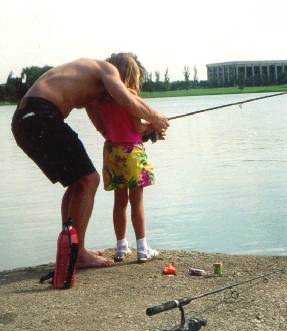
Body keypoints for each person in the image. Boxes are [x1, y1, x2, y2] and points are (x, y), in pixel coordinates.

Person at [11, 53, 169, 268]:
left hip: (24, 120)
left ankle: (71, 247)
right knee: (88, 180)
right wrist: (155, 118)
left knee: (78, 182)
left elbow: (105, 131)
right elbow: (125, 98)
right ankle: (78, 254)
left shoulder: (89, 88)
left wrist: (143, 133)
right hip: (41, 115)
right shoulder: (106, 69)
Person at [88, 60, 160, 263]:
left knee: (119, 202)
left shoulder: (102, 100)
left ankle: (121, 247)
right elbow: (137, 127)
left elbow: (105, 127)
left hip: (112, 151)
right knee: (137, 201)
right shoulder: (130, 96)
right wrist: (151, 126)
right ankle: (142, 248)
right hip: (132, 152)